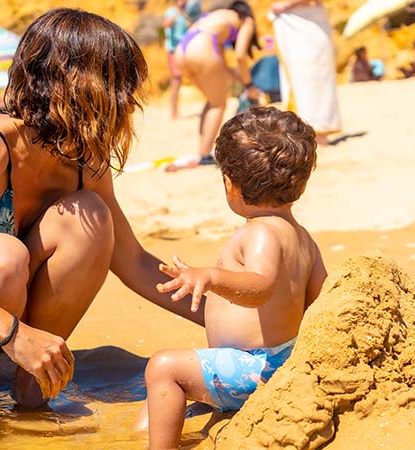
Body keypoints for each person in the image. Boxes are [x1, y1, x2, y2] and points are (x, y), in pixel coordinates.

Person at [0, 8, 205, 413]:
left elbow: (136, 263)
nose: (131, 103)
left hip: (2, 328)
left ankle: (34, 387)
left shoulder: (84, 165)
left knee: (91, 215)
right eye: (122, 86)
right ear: (83, 86)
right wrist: (13, 335)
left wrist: (237, 318)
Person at [135, 107, 327, 449]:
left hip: (256, 369)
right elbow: (320, 299)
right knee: (154, 404)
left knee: (163, 367)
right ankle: (144, 435)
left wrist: (210, 276)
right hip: (278, 359)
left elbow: (260, 286)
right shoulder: (301, 236)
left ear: (230, 183)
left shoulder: (262, 233)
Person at [170, 0, 260, 170]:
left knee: (212, 101)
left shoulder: (217, 16)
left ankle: (202, 150)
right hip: (202, 48)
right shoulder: (246, 20)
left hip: (182, 50)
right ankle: (205, 155)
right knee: (219, 104)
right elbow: (240, 56)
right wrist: (249, 85)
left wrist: (239, 79)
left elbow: (224, 66)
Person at [271, 0, 341, 146]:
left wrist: (287, 5)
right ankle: (306, 131)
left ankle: (316, 132)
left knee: (313, 77)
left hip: (306, 23)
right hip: (300, 22)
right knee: (303, 78)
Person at [163, 0, 191, 119]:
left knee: (179, 80)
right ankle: (174, 112)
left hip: (182, 50)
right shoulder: (171, 11)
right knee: (176, 79)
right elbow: (166, 24)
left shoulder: (185, 14)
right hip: (173, 50)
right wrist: (177, 13)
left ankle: (176, 111)